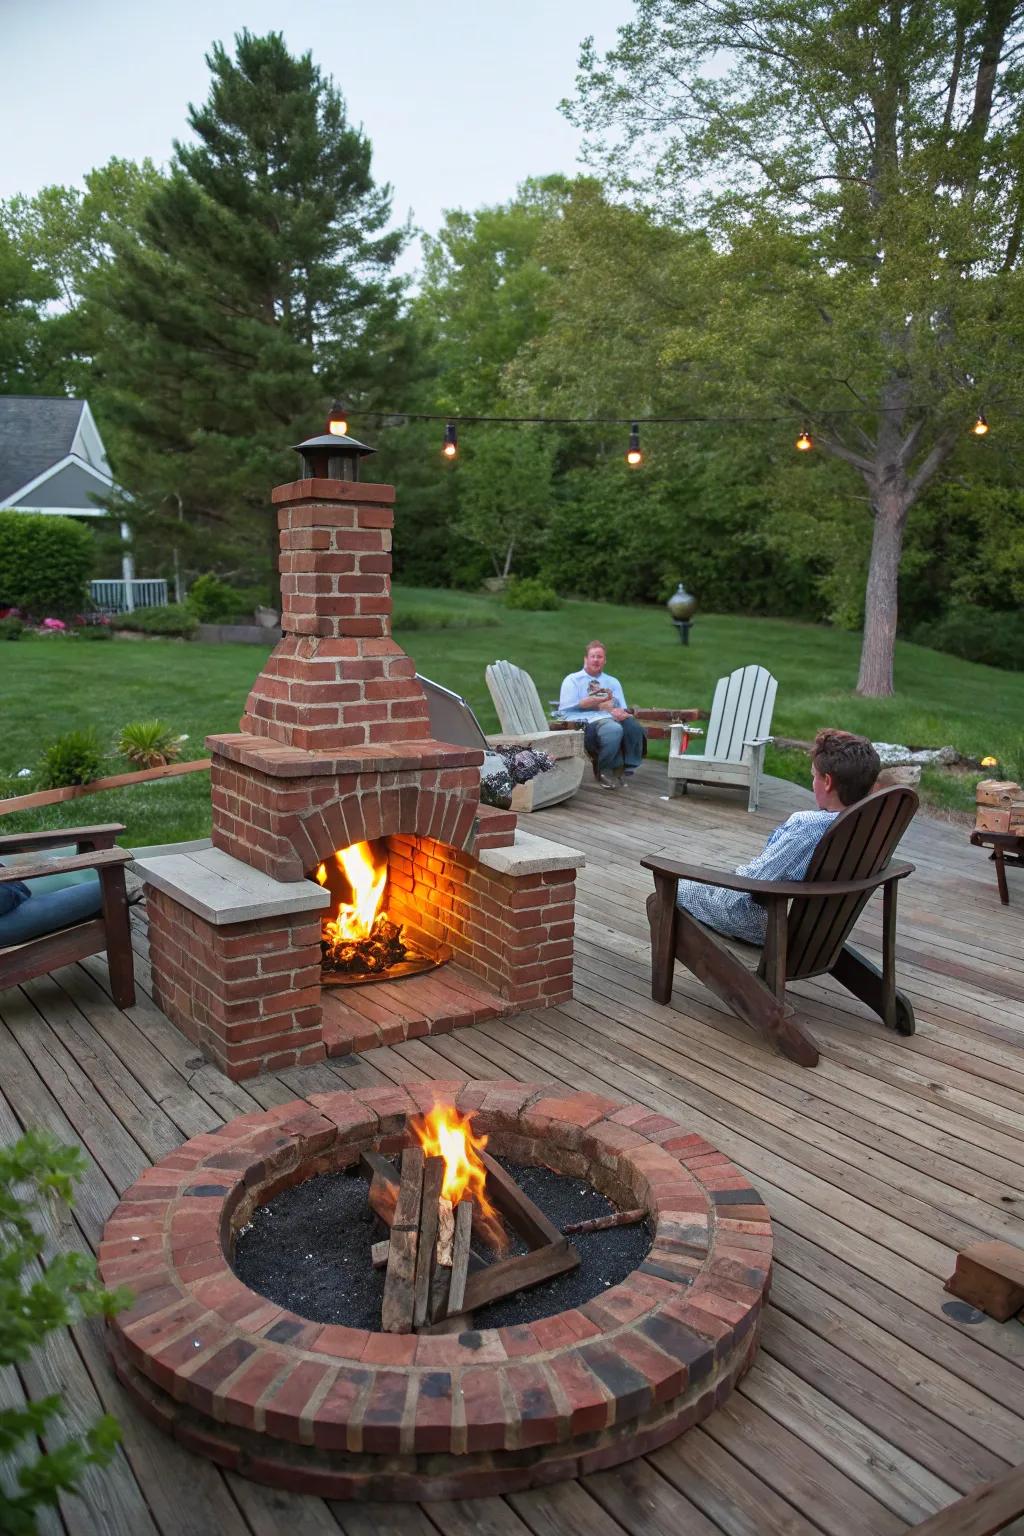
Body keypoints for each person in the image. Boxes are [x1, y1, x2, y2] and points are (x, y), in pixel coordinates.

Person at [674, 729, 881, 943]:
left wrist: (728, 877)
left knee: (675, 887)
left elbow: (759, 883)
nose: (813, 783)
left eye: (814, 776)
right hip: (825, 931)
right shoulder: (870, 822)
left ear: (827, 782)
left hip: (757, 920)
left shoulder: (808, 826)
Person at [558, 639, 646, 789]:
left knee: (633, 726)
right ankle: (603, 768)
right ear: (586, 659)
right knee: (613, 730)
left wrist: (619, 712)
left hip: (611, 717)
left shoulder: (612, 682)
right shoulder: (572, 680)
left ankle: (626, 766)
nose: (596, 660)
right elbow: (565, 710)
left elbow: (621, 707)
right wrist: (598, 705)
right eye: (593, 656)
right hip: (586, 722)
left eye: (600, 657)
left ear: (605, 660)